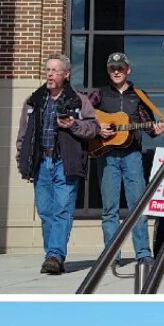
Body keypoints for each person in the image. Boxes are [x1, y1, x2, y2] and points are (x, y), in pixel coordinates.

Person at [15, 53, 100, 276]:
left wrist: (73, 125)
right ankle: (52, 255)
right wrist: (20, 158)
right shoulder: (33, 100)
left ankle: (54, 256)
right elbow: (23, 134)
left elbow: (93, 129)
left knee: (62, 210)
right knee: (45, 211)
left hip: (65, 162)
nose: (50, 74)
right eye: (48, 70)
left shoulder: (79, 101)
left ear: (66, 74)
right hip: (41, 162)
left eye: (55, 70)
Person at [88, 51, 164, 268]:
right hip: (107, 155)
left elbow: (149, 128)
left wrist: (158, 130)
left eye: (120, 67)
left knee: (138, 206)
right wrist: (97, 126)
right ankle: (112, 255)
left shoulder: (138, 96)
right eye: (112, 68)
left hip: (133, 155)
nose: (116, 71)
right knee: (109, 209)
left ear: (128, 69)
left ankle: (143, 253)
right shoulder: (99, 94)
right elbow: (82, 114)